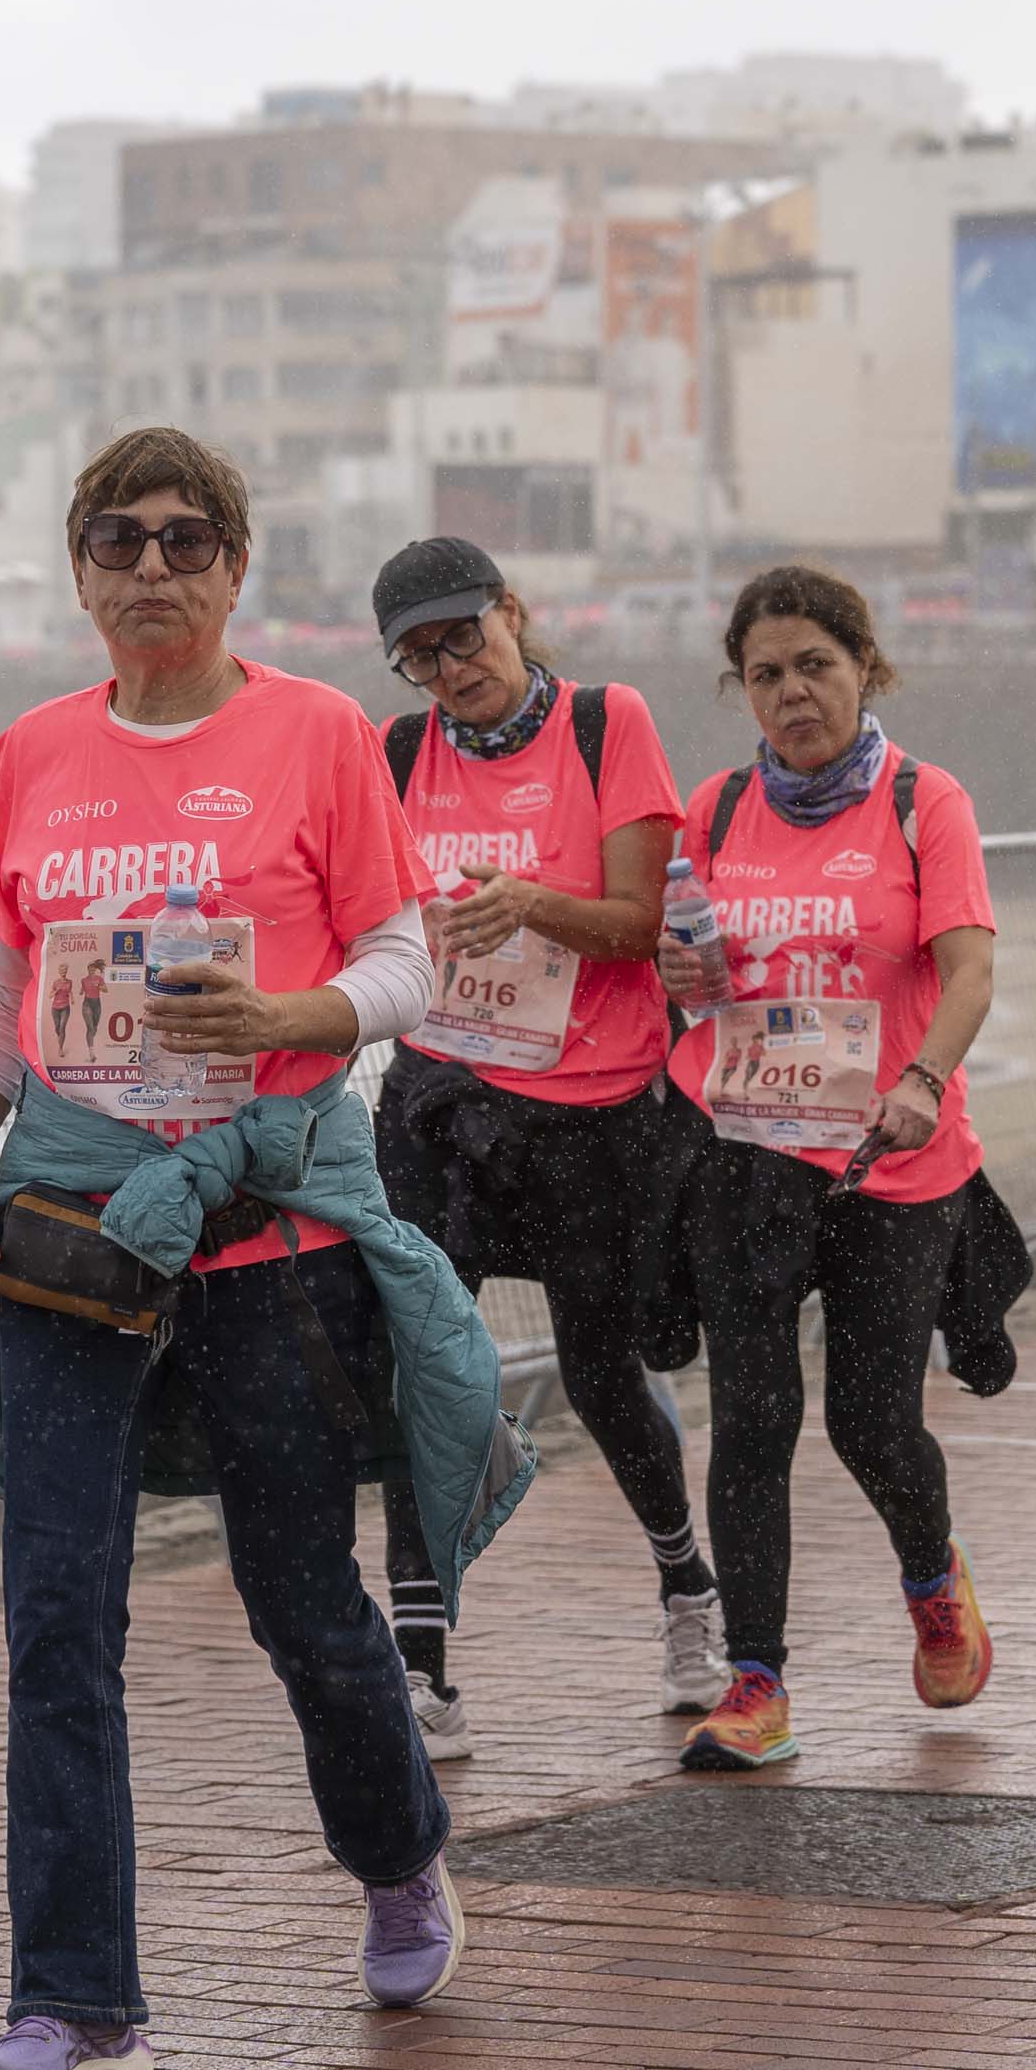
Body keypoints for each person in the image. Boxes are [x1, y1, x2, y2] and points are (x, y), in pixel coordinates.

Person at [0, 427, 469, 2070]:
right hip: (74, 1242)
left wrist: (296, 1018)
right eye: (117, 537)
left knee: (302, 1604)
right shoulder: (33, 749)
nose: (150, 567)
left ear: (238, 564)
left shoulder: (312, 732)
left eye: (185, 538)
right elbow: (6, 981)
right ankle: (79, 2008)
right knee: (54, 1620)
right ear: (79, 568)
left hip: (264, 1233)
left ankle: (395, 1855)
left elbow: (403, 956)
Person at [363, 533, 719, 1757]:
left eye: (462, 636)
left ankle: (687, 1590)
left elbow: (633, 925)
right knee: (422, 1365)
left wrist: (526, 904)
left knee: (600, 1373)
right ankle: (423, 1666)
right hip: (441, 1100)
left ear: (512, 612)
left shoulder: (605, 725)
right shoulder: (399, 753)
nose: (447, 669)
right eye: (418, 656)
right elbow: (362, 916)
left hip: (592, 1112)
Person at [654, 565, 1001, 1771]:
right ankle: (757, 1686)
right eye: (765, 675)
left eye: (814, 665)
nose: (792, 693)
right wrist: (682, 978)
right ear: (740, 690)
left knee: (870, 1423)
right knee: (751, 1417)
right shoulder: (711, 811)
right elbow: (686, 974)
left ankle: (930, 1574)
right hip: (747, 1154)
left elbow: (965, 970)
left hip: (891, 1163)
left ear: (863, 667)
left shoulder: (922, 800)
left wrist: (920, 1085)